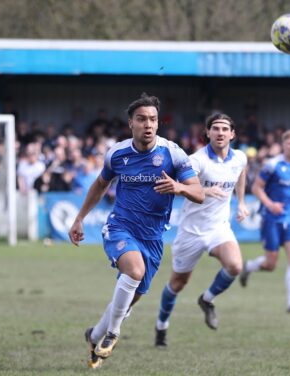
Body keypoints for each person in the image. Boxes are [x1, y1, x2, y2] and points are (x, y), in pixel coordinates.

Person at [68, 93, 204, 369]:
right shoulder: (117, 154)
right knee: (134, 271)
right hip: (120, 227)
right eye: (141, 119)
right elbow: (99, 185)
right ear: (131, 123)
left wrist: (180, 187)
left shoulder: (173, 153)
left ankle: (94, 335)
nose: (148, 124)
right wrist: (80, 218)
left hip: (153, 237)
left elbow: (199, 193)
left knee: (130, 296)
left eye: (153, 119)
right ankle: (113, 333)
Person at [153, 113, 249, 346]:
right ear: (207, 133)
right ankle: (161, 326)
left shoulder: (240, 158)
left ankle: (207, 299)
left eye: (225, 129)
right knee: (178, 284)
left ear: (232, 134)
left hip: (218, 227)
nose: (220, 132)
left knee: (235, 266)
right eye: (215, 128)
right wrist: (205, 191)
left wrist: (242, 202)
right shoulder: (196, 161)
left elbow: (241, 174)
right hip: (191, 231)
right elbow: (182, 187)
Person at [239, 129, 290, 313]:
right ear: (283, 145)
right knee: (270, 264)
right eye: (289, 143)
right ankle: (249, 267)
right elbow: (257, 187)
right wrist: (270, 204)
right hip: (271, 218)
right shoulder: (272, 165)